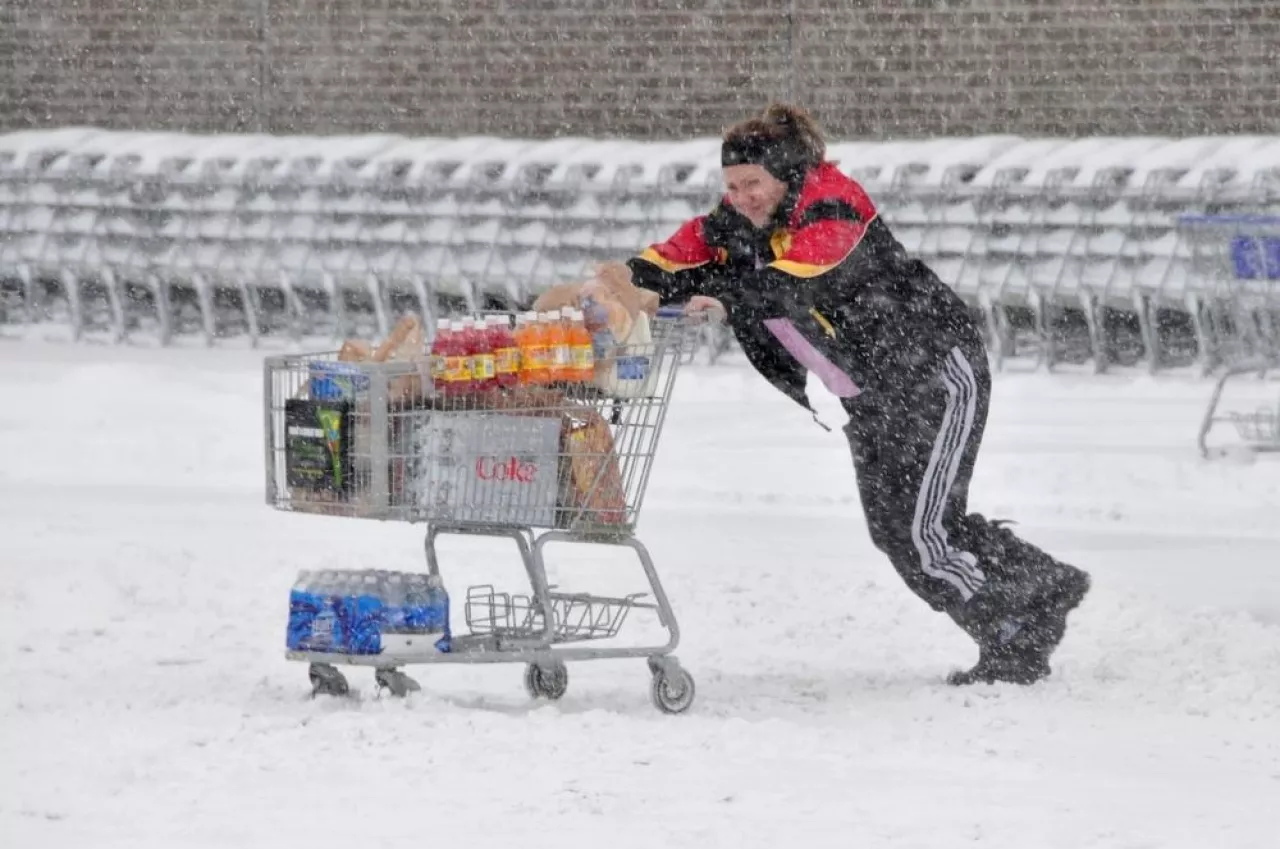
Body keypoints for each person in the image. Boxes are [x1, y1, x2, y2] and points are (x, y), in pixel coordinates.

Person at [580, 103, 1091, 686]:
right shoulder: (738, 220)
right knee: (899, 529)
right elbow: (675, 258)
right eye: (731, 185)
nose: (740, 196)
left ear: (785, 174)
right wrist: (618, 283)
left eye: (752, 184)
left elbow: (796, 281)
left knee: (923, 533)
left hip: (934, 374)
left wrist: (727, 300)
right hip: (870, 390)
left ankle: (1014, 634)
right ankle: (1044, 585)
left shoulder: (834, 203)